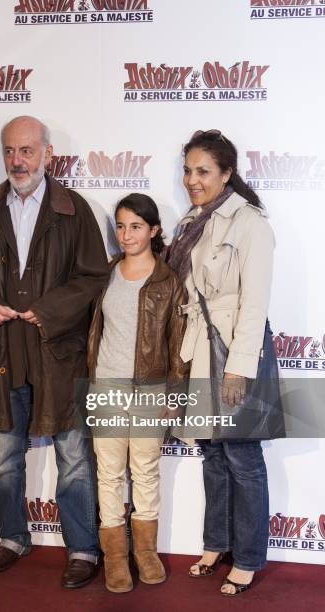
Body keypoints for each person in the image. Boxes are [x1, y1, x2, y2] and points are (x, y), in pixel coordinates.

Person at [0, 116, 109, 588]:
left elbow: (94, 276)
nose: (18, 161)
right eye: (10, 151)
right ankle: (12, 537)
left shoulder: (75, 210)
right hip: (1, 352)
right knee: (5, 458)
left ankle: (83, 548)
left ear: (48, 154)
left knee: (74, 457)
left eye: (27, 151)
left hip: (57, 354)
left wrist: (48, 310)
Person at [167, 130, 275, 596]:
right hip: (199, 348)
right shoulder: (191, 222)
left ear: (227, 173)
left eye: (203, 171)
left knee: (242, 454)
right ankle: (216, 542)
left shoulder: (250, 223)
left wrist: (238, 367)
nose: (192, 179)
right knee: (211, 451)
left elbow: (255, 303)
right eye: (188, 171)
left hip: (235, 351)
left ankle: (248, 556)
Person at [87, 193, 188, 593]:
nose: (127, 234)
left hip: (151, 389)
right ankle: (114, 556)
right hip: (106, 388)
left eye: (136, 226)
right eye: (122, 225)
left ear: (154, 230)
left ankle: (145, 552)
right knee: (108, 475)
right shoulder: (104, 273)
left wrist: (175, 394)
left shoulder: (168, 280)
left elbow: (179, 343)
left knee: (145, 472)